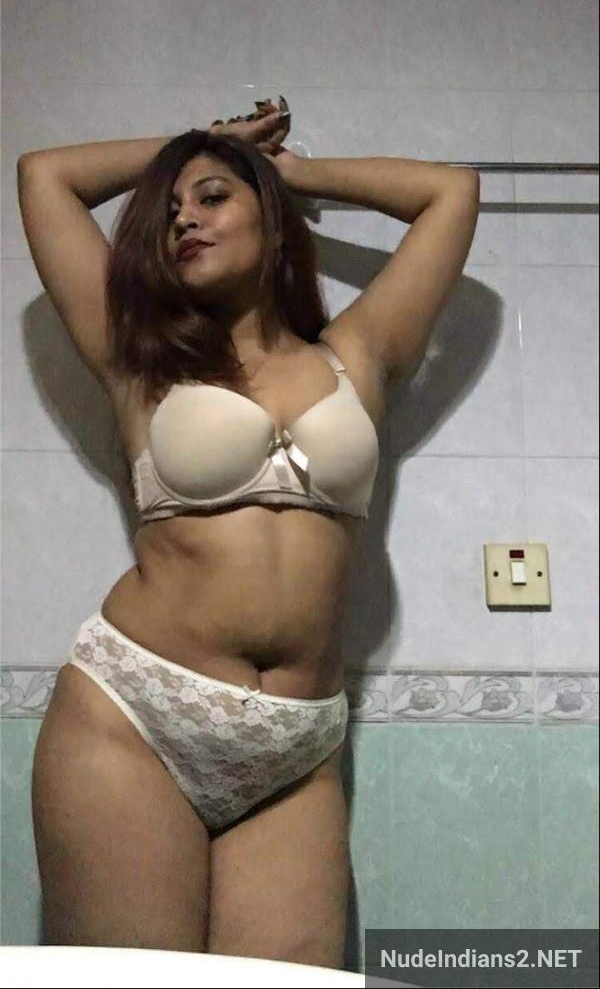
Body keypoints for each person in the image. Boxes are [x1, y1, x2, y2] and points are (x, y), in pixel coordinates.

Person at [16, 99, 479, 966]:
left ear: (270, 220)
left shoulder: (358, 354)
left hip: (296, 747)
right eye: (169, 212)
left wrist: (285, 172)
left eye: (212, 197)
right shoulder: (137, 356)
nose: (183, 219)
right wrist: (200, 146)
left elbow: (450, 193)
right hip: (133, 719)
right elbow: (45, 177)